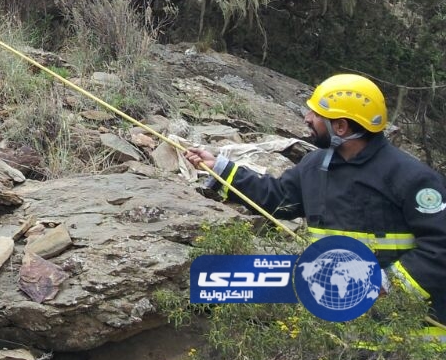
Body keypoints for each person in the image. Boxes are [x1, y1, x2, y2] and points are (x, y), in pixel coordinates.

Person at [185, 74, 446, 333]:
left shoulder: (412, 178)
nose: (308, 119)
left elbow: (440, 247)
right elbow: (277, 199)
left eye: (317, 114)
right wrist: (220, 169)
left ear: (341, 127)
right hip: (340, 324)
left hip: (410, 335)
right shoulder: (316, 166)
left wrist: (388, 283)